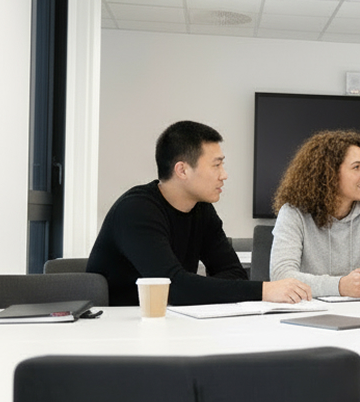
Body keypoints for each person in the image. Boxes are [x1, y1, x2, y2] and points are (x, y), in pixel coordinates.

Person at [87, 120, 311, 306]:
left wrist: (194, 287)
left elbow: (233, 273)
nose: (224, 175)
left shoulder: (201, 209)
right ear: (182, 170)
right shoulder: (136, 211)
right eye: (216, 165)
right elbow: (172, 287)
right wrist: (264, 290)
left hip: (176, 321)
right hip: (119, 325)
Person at [270, 129, 360, 297]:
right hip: (308, 316)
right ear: (329, 174)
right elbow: (281, 276)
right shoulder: (293, 213)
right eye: (356, 167)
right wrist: (340, 286)